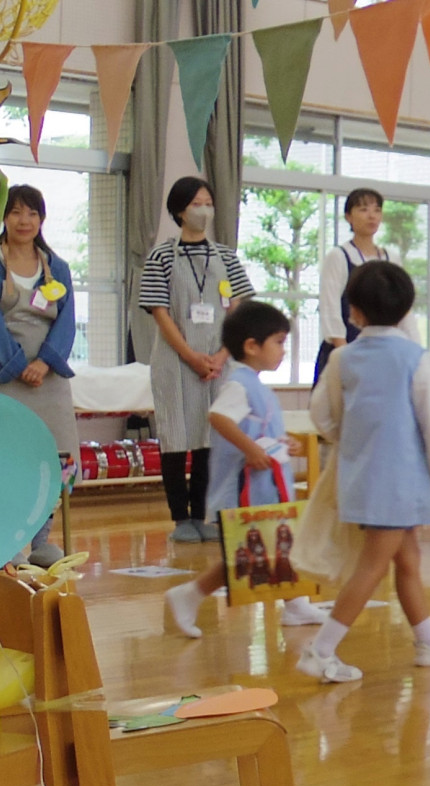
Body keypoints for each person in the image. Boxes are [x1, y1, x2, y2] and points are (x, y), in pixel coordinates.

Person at [297, 261, 430, 683]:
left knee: (408, 560)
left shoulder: (343, 358)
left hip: (361, 478)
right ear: (405, 310)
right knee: (374, 566)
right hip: (400, 484)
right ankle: (320, 650)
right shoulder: (414, 358)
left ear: (354, 310)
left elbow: (321, 416)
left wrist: (357, 438)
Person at [165, 302, 334, 637]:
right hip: (248, 487)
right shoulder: (239, 384)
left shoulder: (255, 385)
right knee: (245, 554)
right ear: (252, 346)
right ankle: (189, 594)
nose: (283, 351)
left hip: (268, 485)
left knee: (280, 545)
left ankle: (296, 604)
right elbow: (219, 417)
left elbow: (259, 428)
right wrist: (251, 449)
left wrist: (283, 443)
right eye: (279, 342)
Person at [140, 175, 255, 544]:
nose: (203, 210)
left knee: (211, 436)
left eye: (208, 203)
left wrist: (221, 355)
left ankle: (204, 514)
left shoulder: (226, 256)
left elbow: (238, 311)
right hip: (176, 362)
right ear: (179, 210)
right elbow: (160, 313)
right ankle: (180, 517)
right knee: (176, 436)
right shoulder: (160, 256)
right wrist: (191, 356)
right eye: (196, 204)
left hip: (220, 361)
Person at [0, 184, 76, 567]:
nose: (25, 221)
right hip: (5, 376)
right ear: (3, 218)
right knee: (8, 460)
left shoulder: (57, 267)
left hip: (49, 379)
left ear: (42, 220)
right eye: (17, 213)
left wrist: (46, 362)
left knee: (53, 459)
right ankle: (9, 542)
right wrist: (18, 363)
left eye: (33, 214)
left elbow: (68, 321)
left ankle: (42, 541)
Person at [314, 187, 388, 383]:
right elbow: (329, 306)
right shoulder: (338, 256)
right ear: (349, 216)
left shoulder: (390, 258)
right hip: (346, 346)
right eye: (363, 209)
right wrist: (343, 351)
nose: (371, 216)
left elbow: (403, 311)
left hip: (382, 349)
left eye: (377, 210)